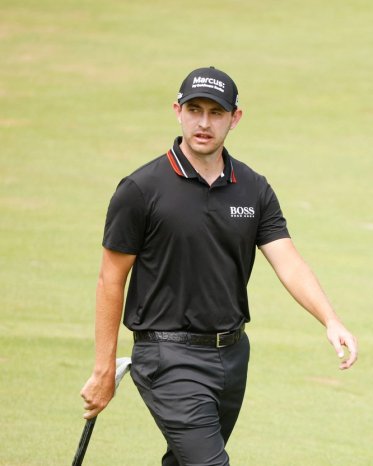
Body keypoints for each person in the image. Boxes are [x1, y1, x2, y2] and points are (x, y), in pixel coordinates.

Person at [80, 66, 358, 465]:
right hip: (166, 355)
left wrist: (330, 319)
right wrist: (103, 367)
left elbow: (289, 262)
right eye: (195, 110)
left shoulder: (253, 187)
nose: (204, 123)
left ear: (235, 118)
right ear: (178, 111)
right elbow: (111, 279)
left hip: (231, 356)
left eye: (216, 113)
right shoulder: (141, 189)